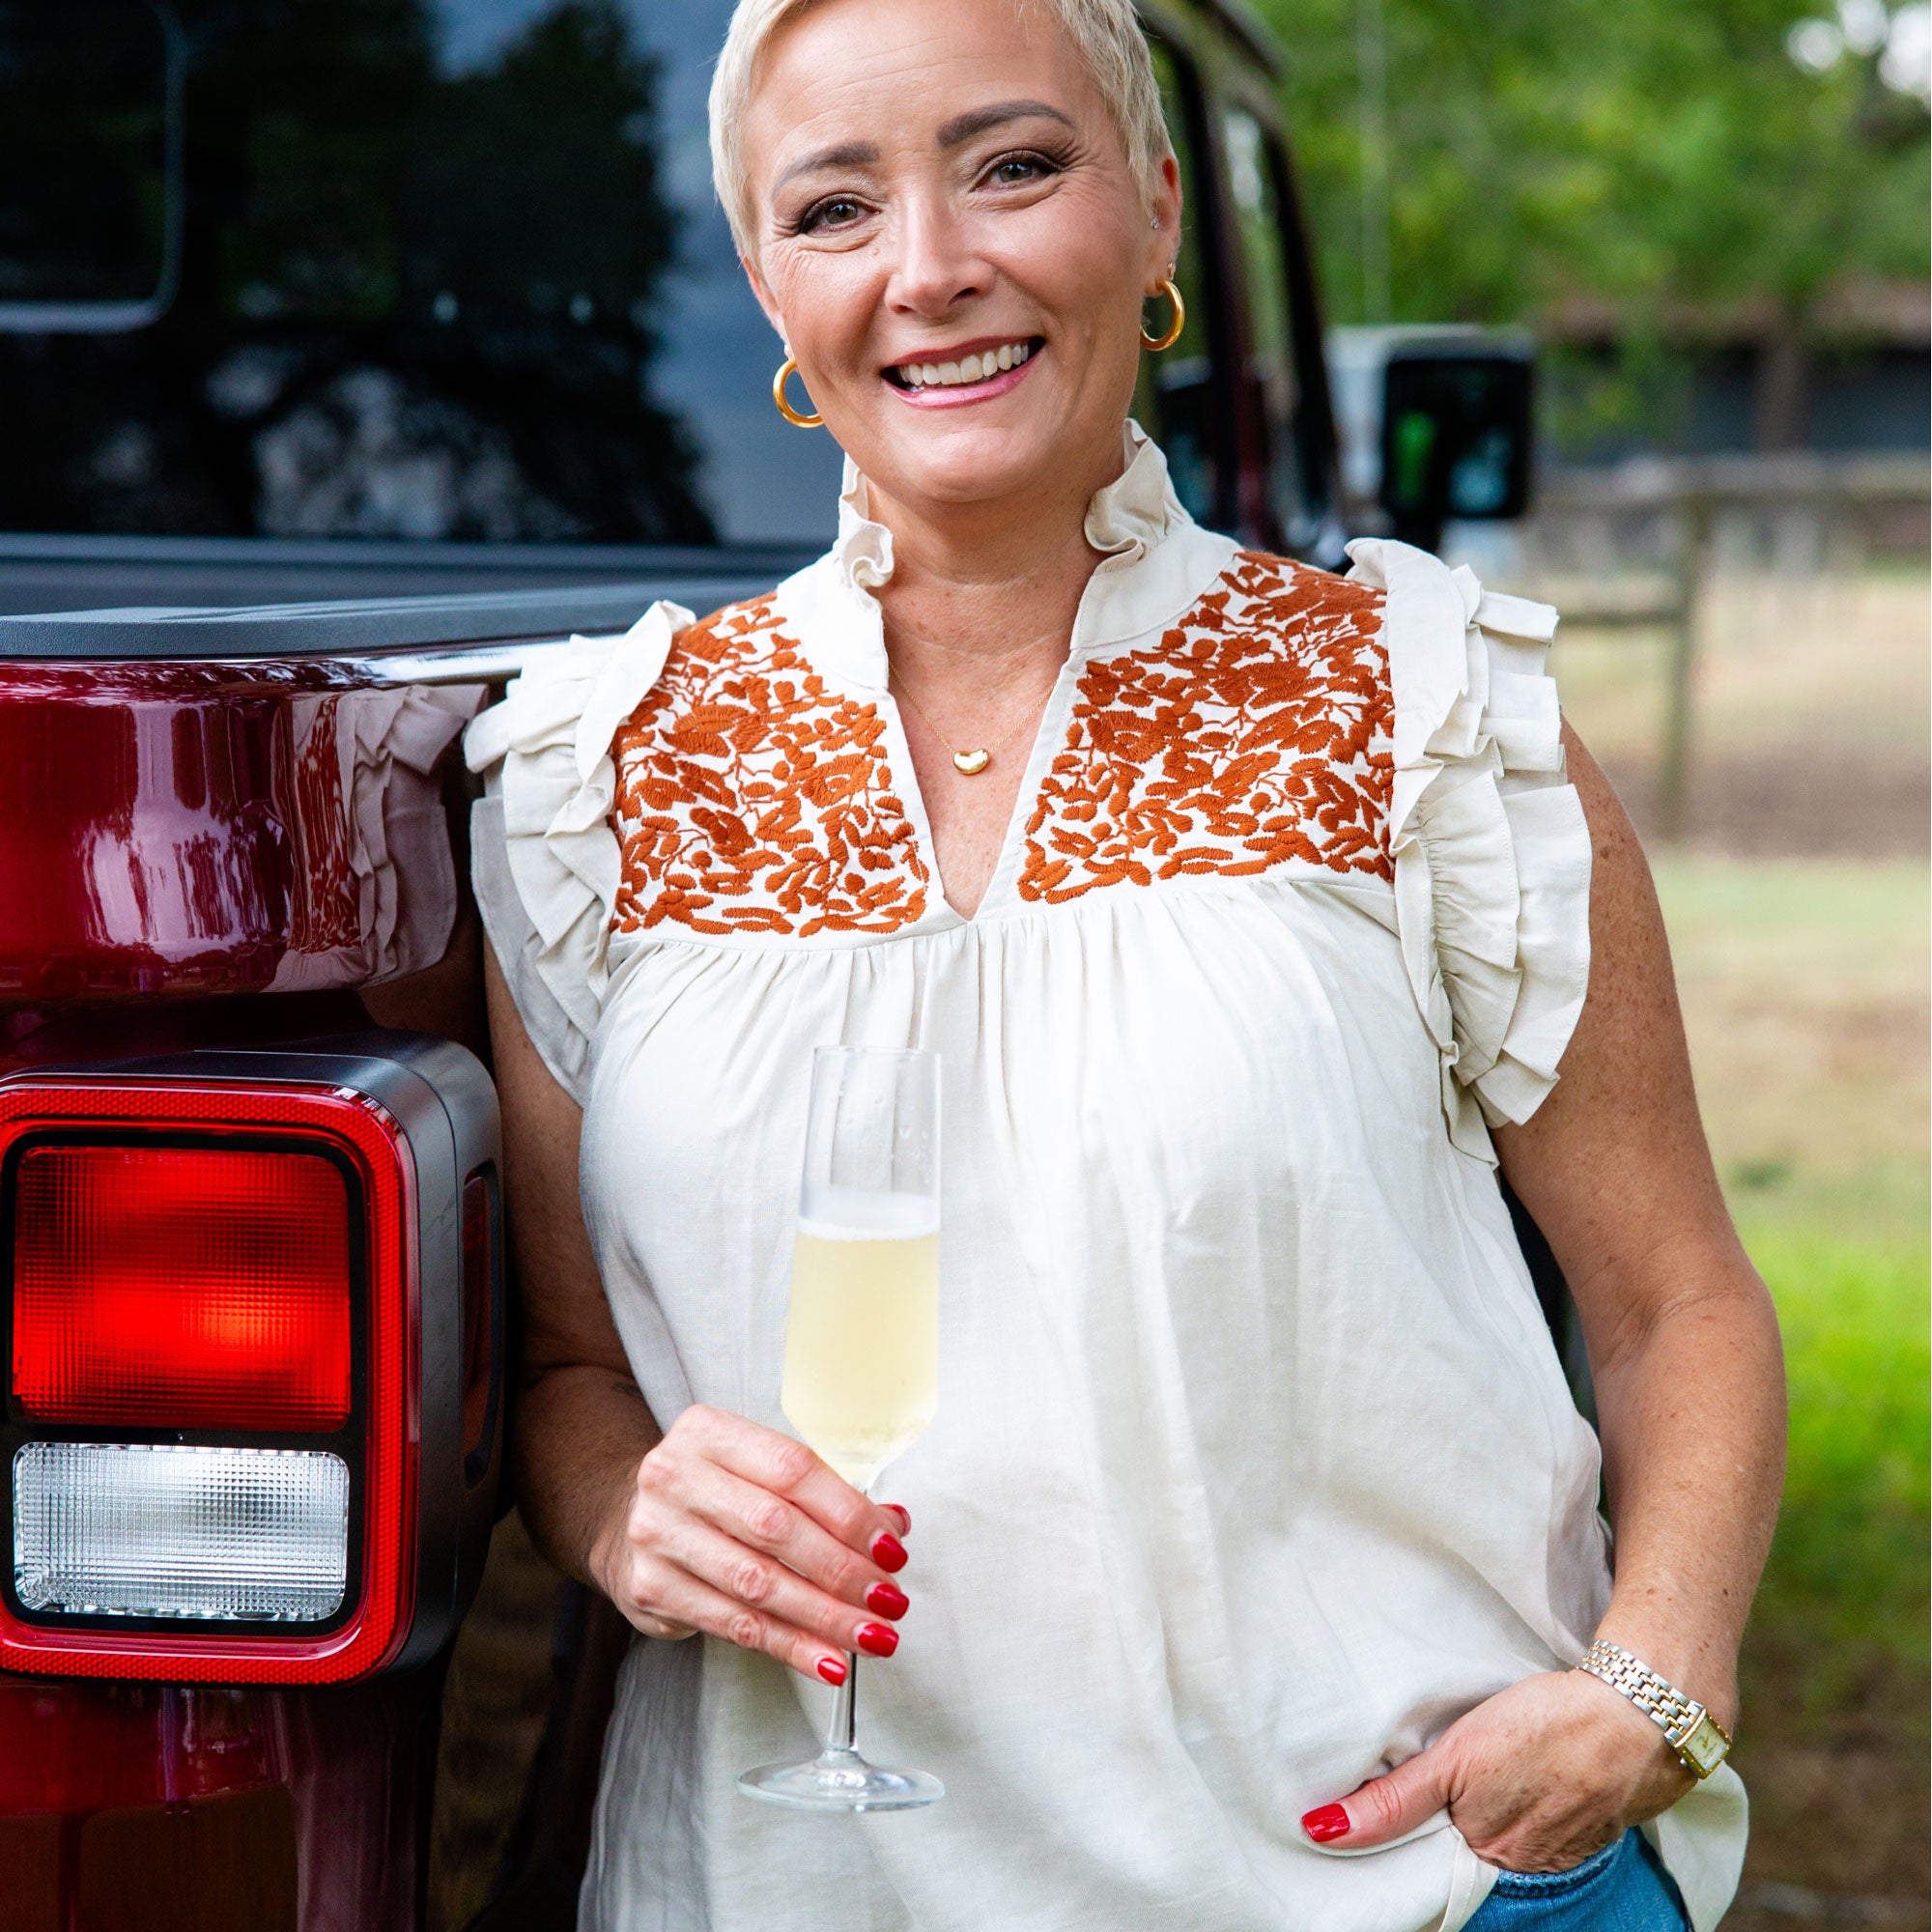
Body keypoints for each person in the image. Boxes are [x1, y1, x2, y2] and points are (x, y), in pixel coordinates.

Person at [463, 0, 1786, 1924]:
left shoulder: (1413, 703)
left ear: (1157, 211)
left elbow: (1678, 1307)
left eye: (1014, 165)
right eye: (837, 206)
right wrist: (617, 1510)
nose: (932, 269)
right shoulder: (595, 769)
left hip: (1405, 1885)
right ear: (767, 279)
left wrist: (1649, 1695)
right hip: (781, 1884)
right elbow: (575, 1368)